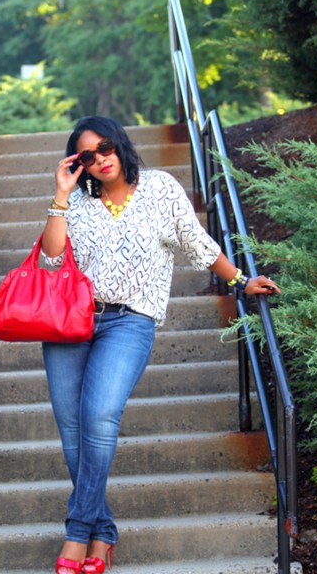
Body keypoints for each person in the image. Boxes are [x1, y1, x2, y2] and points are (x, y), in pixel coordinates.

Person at [41, 116, 280, 574]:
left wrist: (242, 280)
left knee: (100, 416)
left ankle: (76, 533)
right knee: (72, 432)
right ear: (80, 164)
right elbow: (52, 262)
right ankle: (102, 534)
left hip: (129, 322)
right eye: (87, 156)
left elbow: (197, 244)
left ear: (121, 145)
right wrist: (61, 196)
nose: (100, 160)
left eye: (106, 148)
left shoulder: (159, 188)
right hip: (70, 324)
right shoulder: (78, 202)